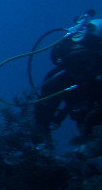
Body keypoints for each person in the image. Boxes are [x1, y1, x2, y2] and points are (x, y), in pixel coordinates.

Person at [33, 11, 102, 143]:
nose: (84, 68)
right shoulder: (60, 79)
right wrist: (42, 151)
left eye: (89, 61)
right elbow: (41, 120)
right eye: (77, 61)